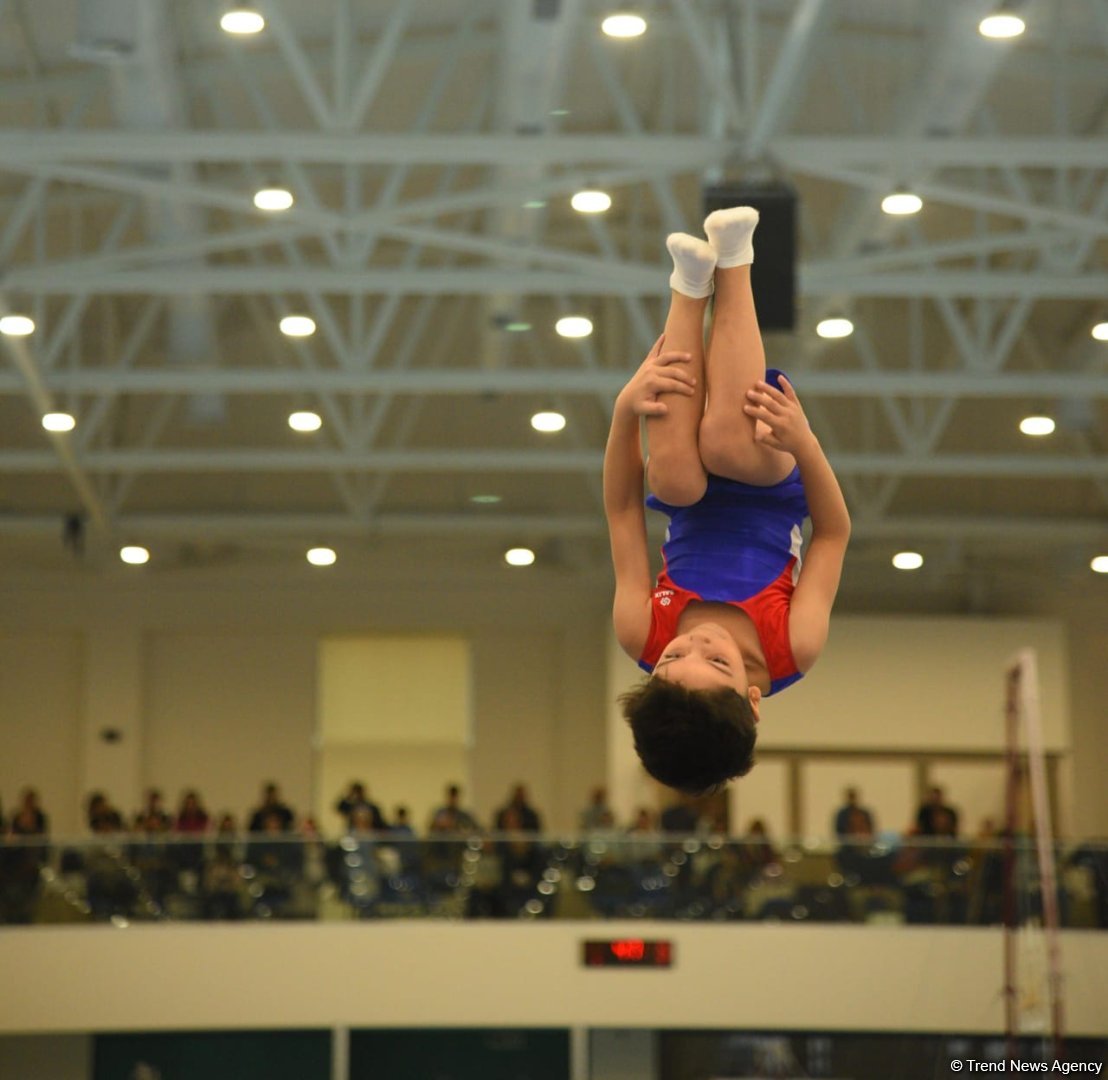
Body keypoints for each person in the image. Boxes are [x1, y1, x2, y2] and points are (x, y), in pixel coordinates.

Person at [606, 207, 850, 796]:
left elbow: (622, 511)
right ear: (753, 698)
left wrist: (623, 412)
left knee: (674, 485)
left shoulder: (640, 631)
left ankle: (689, 286)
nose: (697, 641)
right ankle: (735, 265)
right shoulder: (794, 645)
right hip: (772, 482)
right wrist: (804, 442)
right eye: (717, 662)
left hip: (688, 490)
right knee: (725, 442)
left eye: (673, 657)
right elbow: (834, 533)